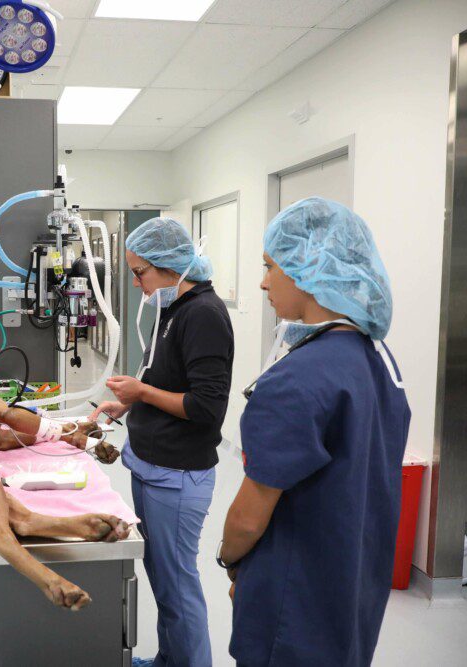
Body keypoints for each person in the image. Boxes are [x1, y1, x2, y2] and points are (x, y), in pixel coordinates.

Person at [219, 197, 411, 666]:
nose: (263, 282)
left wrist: (231, 561)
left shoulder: (298, 377)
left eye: (270, 267)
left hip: (294, 595)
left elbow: (248, 517)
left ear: (309, 268)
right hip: (352, 581)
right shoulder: (377, 361)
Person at [90, 217, 234, 667]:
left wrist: (143, 393)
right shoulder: (173, 308)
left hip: (179, 473)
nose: (137, 284)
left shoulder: (204, 315)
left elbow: (207, 406)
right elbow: (165, 376)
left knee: (178, 584)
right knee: (162, 577)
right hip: (153, 467)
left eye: (140, 273)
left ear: (171, 266)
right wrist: (129, 405)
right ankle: (171, 660)